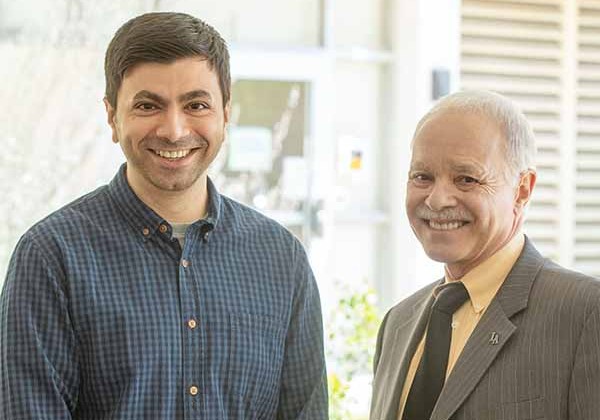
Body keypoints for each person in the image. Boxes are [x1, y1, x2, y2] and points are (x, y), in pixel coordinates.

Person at [0, 12, 327, 419]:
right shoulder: (51, 257)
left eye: (196, 104)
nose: (174, 130)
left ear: (226, 112)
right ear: (112, 117)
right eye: (148, 105)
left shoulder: (282, 260)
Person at [370, 90, 600, 420]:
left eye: (466, 179)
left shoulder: (584, 315)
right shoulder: (398, 323)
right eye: (423, 177)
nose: (436, 200)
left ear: (523, 189)